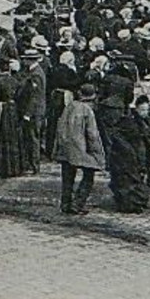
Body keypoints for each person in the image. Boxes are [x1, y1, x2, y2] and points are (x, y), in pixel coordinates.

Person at [55, 79, 106, 215]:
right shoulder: (87, 111)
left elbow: (60, 126)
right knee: (88, 176)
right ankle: (78, 204)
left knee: (67, 178)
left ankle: (65, 203)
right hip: (81, 149)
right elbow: (92, 134)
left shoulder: (69, 106)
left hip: (66, 147)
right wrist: (98, 154)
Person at [107, 96, 150, 213]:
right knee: (127, 182)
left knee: (135, 180)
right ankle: (129, 204)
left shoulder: (145, 122)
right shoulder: (130, 122)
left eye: (147, 110)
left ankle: (133, 203)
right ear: (137, 109)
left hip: (136, 156)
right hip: (127, 158)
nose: (145, 112)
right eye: (142, 110)